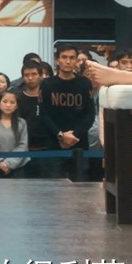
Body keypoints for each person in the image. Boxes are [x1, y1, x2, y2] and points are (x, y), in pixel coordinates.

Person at [40, 46, 97, 177]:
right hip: (54, 144)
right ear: (57, 60)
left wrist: (74, 135)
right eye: (64, 57)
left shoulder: (85, 83)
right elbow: (43, 114)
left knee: (80, 185)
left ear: (76, 61)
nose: (68, 61)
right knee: (55, 185)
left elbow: (90, 115)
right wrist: (60, 135)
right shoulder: (47, 84)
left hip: (79, 143)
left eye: (72, 58)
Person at [0, 90, 29, 178]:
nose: (8, 105)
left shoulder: (21, 123)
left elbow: (23, 145)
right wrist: (0, 163)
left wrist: (8, 163)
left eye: (12, 102)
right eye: (5, 101)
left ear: (16, 106)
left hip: (17, 169)